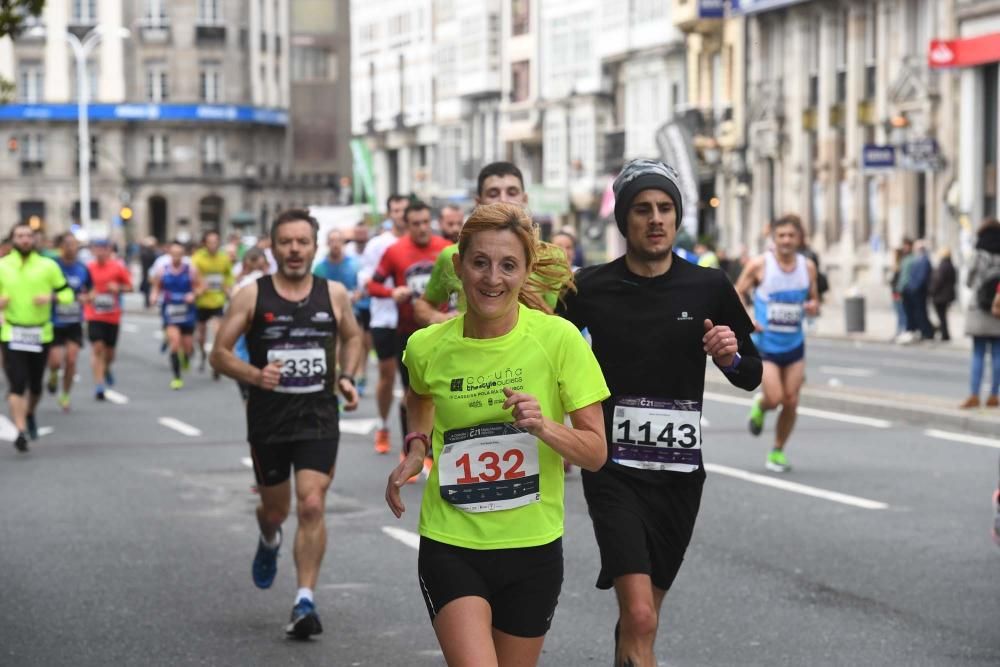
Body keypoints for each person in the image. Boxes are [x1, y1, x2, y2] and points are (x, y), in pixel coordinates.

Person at [385, 202, 609, 667]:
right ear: (458, 266)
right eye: (480, 262)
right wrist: (416, 445)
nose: (493, 279)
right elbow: (419, 396)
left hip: (533, 548)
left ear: (526, 272)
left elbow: (595, 453)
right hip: (452, 543)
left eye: (509, 265)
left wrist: (544, 425)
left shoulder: (559, 340)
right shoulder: (426, 347)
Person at [558, 159, 761, 667]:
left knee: (641, 620)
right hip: (614, 469)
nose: (655, 219)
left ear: (677, 218)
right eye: (643, 209)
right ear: (624, 220)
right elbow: (543, 348)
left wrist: (729, 356)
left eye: (666, 209)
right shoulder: (589, 286)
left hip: (679, 475)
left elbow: (752, 373)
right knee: (642, 616)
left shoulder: (708, 286)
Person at [210, 209, 363, 638]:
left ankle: (304, 600)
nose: (294, 250)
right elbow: (218, 354)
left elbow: (352, 336)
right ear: (272, 247)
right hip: (269, 420)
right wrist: (256, 375)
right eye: (285, 242)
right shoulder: (251, 295)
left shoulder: (333, 293)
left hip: (318, 417)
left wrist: (347, 377)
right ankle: (269, 538)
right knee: (276, 511)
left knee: (311, 503)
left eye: (302, 242)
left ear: (314, 247)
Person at [367, 201, 452, 470]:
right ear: (406, 225)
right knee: (410, 394)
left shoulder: (445, 250)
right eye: (415, 224)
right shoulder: (395, 251)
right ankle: (410, 449)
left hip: (443, 331)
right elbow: (373, 284)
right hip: (409, 334)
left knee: (444, 392)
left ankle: (437, 447)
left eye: (426, 222)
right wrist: (391, 293)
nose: (422, 228)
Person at [735, 214, 819, 473]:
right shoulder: (760, 264)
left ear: (799, 239)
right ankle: (761, 406)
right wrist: (748, 318)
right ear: (774, 239)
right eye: (781, 235)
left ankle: (777, 450)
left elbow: (814, 299)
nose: (786, 240)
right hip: (766, 345)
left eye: (791, 236)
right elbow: (737, 291)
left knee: (792, 401)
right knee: (775, 398)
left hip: (794, 344)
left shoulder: (808, 267)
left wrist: (813, 306)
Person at [0, 223, 75, 451]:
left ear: (34, 240)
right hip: (11, 331)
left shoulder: (48, 266)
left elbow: (68, 294)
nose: (24, 240)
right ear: (12, 239)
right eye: (19, 236)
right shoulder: (2, 266)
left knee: (36, 386)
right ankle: (20, 430)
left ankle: (30, 412)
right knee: (17, 383)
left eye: (28, 236)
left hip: (40, 333)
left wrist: (52, 298)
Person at [360, 194, 408, 454]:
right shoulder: (378, 245)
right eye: (396, 210)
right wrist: (391, 293)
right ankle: (382, 425)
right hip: (384, 317)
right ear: (390, 214)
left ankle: (412, 441)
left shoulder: (417, 243)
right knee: (387, 376)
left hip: (411, 320)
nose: (400, 214)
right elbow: (367, 280)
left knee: (412, 383)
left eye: (404, 210)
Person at [313, 229, 365, 385]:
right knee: (333, 349)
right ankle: (335, 382)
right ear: (327, 244)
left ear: (343, 243)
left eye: (338, 241)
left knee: (354, 343)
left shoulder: (354, 264)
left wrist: (357, 295)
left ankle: (357, 376)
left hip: (352, 312)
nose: (335, 245)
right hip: (329, 314)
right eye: (332, 241)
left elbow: (362, 288)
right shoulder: (320, 268)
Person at [47, 233, 92, 411]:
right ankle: (52, 375)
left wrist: (87, 297)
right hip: (54, 321)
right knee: (56, 362)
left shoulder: (82, 268)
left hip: (74, 321)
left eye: (74, 245)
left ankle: (65, 394)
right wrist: (53, 298)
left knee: (72, 360)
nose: (71, 248)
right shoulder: (52, 267)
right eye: (67, 244)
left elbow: (91, 290)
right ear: (61, 246)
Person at [85, 238, 132, 401]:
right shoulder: (88, 268)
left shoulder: (117, 267)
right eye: (97, 249)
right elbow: (80, 290)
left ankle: (107, 367)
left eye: (103, 249)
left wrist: (118, 288)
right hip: (93, 314)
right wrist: (87, 296)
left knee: (110, 354)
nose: (100, 252)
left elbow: (130, 287)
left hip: (112, 316)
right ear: (92, 250)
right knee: (97, 348)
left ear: (109, 250)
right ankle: (99, 384)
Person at [960, 218, 1000, 409]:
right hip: (998, 308)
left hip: (979, 308)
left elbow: (968, 281)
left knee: (978, 352)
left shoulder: (978, 253)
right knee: (998, 354)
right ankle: (994, 395)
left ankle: (975, 394)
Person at [151, 241, 202, 390]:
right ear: (169, 254)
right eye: (173, 253)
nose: (176, 257)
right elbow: (156, 287)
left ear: (183, 254)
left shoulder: (190, 269)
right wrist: (153, 296)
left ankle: (186, 356)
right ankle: (177, 378)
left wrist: (194, 294)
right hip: (170, 311)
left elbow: (201, 286)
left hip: (187, 311)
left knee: (187, 345)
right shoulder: (163, 270)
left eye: (179, 254)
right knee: (174, 342)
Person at [191, 230, 233, 376]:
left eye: (216, 242)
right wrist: (198, 288)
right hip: (202, 302)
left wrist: (228, 288)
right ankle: (202, 354)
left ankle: (215, 361)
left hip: (217, 300)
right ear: (205, 243)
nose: (213, 245)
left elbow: (228, 275)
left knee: (218, 332)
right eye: (210, 242)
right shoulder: (197, 258)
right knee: (201, 335)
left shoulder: (224, 258)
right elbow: (192, 276)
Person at [928, 247, 957, 342]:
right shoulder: (951, 265)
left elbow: (938, 281)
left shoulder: (943, 266)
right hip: (947, 296)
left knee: (942, 316)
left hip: (940, 296)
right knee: (943, 316)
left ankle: (944, 334)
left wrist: (932, 290)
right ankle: (945, 334)